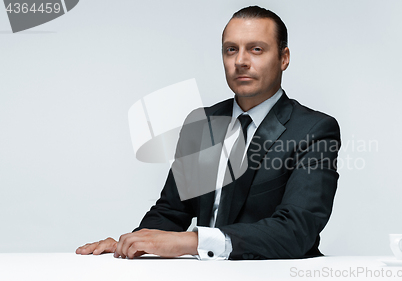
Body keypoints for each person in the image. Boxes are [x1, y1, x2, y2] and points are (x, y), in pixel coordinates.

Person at [76, 6, 341, 260]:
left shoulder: (314, 130)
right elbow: (171, 212)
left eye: (256, 49)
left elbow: (296, 230)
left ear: (284, 58)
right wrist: (133, 243)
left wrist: (194, 241)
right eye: (231, 50)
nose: (241, 61)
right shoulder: (202, 123)